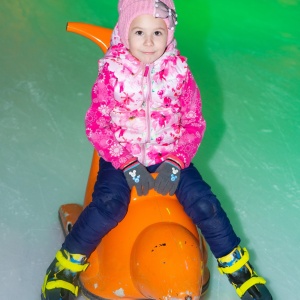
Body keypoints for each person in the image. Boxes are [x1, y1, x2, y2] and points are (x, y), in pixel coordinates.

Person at [41, 0, 273, 299]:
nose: (149, 42)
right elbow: (97, 125)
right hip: (121, 157)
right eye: (139, 32)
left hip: (170, 156)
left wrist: (177, 161)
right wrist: (125, 163)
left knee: (204, 204)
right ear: (125, 33)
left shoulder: (180, 74)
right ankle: (65, 266)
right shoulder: (112, 74)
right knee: (109, 206)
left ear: (170, 33)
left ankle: (238, 269)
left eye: (157, 33)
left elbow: (193, 123)